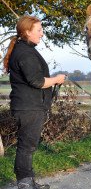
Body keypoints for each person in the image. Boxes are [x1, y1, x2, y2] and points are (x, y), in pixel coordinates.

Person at [3, 15, 66, 189]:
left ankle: (28, 181)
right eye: (39, 30)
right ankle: (24, 183)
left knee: (28, 144)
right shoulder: (24, 53)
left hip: (29, 107)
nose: (42, 34)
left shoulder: (26, 49)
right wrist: (56, 79)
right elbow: (37, 81)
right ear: (27, 31)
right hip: (28, 108)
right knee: (26, 146)